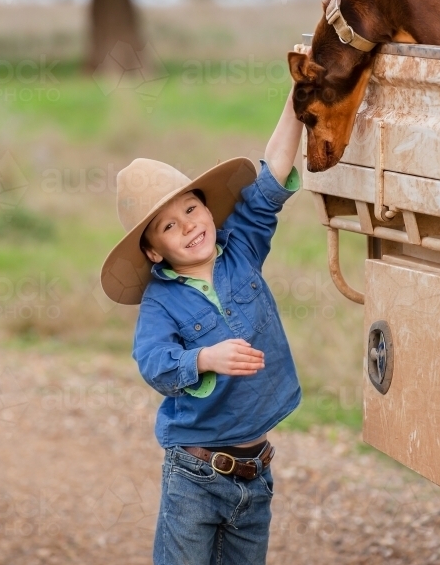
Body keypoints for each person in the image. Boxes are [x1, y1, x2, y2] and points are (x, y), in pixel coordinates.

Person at [99, 88, 304, 564]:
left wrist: (300, 94)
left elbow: (272, 174)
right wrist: (205, 358)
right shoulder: (160, 302)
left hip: (256, 471)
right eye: (168, 227)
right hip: (195, 474)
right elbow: (153, 363)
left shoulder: (242, 248)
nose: (189, 227)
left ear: (208, 208)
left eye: (191, 209)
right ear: (153, 251)